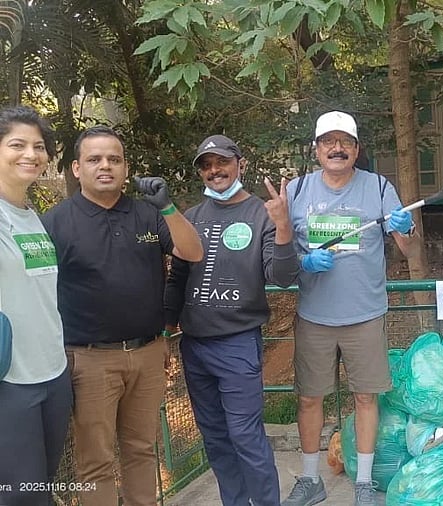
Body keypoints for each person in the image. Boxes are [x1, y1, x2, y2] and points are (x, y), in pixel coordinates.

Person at [41, 125, 203, 506]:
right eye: (94, 159)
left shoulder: (148, 214)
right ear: (77, 168)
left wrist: (167, 206)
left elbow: (193, 252)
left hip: (147, 354)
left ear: (125, 167)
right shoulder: (55, 222)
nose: (105, 166)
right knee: (95, 461)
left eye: (114, 159)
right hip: (88, 359)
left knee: (142, 450)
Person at [281, 110, 414, 506]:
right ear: (317, 149)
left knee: (365, 399)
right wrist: (302, 263)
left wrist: (406, 227)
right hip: (313, 317)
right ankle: (310, 479)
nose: (336, 148)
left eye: (345, 142)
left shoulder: (378, 187)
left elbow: (408, 249)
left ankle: (364, 484)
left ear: (356, 150)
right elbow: (280, 251)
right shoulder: (297, 191)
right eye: (328, 142)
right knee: (309, 398)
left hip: (365, 316)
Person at [164, 135, 299, 506]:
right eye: (206, 165)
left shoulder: (262, 213)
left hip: (238, 342)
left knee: (244, 433)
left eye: (221, 162)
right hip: (194, 345)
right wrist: (165, 330)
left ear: (240, 163)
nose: (214, 171)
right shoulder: (190, 217)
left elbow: (283, 277)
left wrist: (283, 226)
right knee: (215, 437)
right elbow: (176, 277)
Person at [0, 106, 72, 506]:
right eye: (17, 145)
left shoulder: (33, 218)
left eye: (38, 146)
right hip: (9, 379)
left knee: (39, 486)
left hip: (52, 373)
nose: (31, 154)